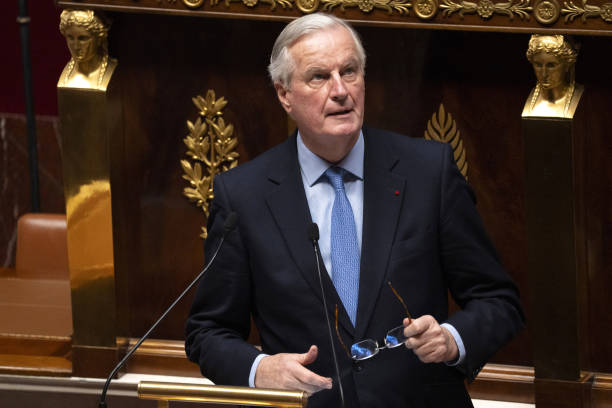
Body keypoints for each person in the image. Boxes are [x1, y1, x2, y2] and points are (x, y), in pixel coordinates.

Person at [185, 13, 524, 408]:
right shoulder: (244, 195)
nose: (340, 90)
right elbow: (207, 333)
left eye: (349, 71)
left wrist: (452, 339)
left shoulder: (428, 172)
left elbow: (498, 300)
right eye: (319, 77)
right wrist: (260, 369)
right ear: (284, 94)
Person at [523, 34, 583, 118]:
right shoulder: (524, 98)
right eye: (538, 65)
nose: (544, 74)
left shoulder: (583, 97)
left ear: (567, 65)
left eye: (551, 65)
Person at [59, 9, 117, 90]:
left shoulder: (113, 69)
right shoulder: (66, 75)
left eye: (83, 38)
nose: (76, 46)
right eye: (70, 38)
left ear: (99, 39)